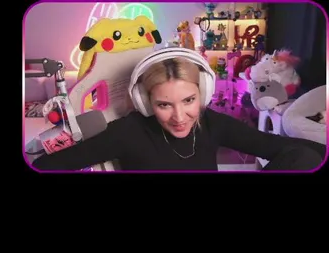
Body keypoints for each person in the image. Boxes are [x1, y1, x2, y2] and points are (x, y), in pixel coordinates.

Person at [33, 48, 326, 171]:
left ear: (204, 94)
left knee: (304, 156)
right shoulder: (127, 132)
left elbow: (278, 146)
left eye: (188, 100)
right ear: (146, 102)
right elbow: (47, 165)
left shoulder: (212, 123)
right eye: (164, 104)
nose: (180, 117)